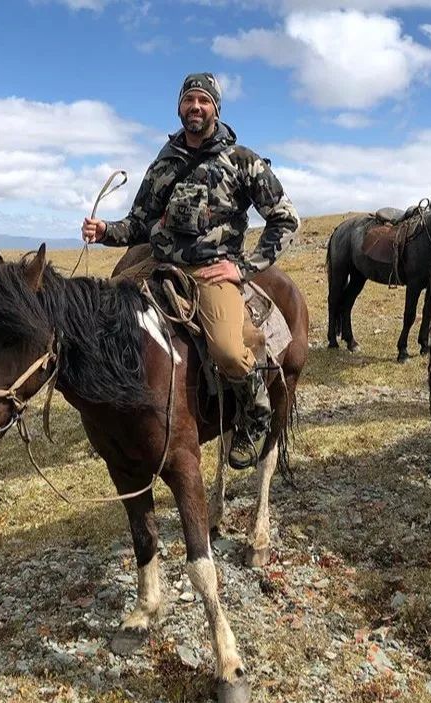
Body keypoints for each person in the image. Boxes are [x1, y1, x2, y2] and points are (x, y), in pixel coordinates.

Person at [81, 72, 300, 470]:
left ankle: (255, 409)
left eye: (203, 101)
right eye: (188, 101)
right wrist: (105, 231)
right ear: (179, 107)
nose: (195, 107)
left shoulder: (243, 161)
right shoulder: (164, 162)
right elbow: (139, 222)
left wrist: (242, 267)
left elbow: (286, 220)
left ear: (216, 108)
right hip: (157, 265)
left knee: (230, 351)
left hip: (211, 274)